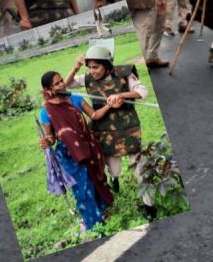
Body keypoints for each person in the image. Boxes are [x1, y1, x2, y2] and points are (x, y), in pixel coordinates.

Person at [64, 45, 156, 218]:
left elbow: (143, 91)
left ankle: (149, 206)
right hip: (104, 131)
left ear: (106, 65)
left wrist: (122, 95)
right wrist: (75, 68)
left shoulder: (124, 73)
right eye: (89, 67)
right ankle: (114, 179)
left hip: (128, 129)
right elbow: (65, 85)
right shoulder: (88, 77)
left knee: (140, 170)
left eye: (96, 67)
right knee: (113, 168)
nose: (92, 71)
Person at [38, 69, 114, 231]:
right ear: (48, 90)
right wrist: (46, 142)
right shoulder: (46, 111)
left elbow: (94, 115)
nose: (62, 84)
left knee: (96, 178)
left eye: (61, 80)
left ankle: (103, 211)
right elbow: (51, 137)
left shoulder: (75, 98)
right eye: (56, 83)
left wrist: (109, 105)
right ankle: (93, 223)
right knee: (82, 187)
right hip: (68, 154)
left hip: (88, 146)